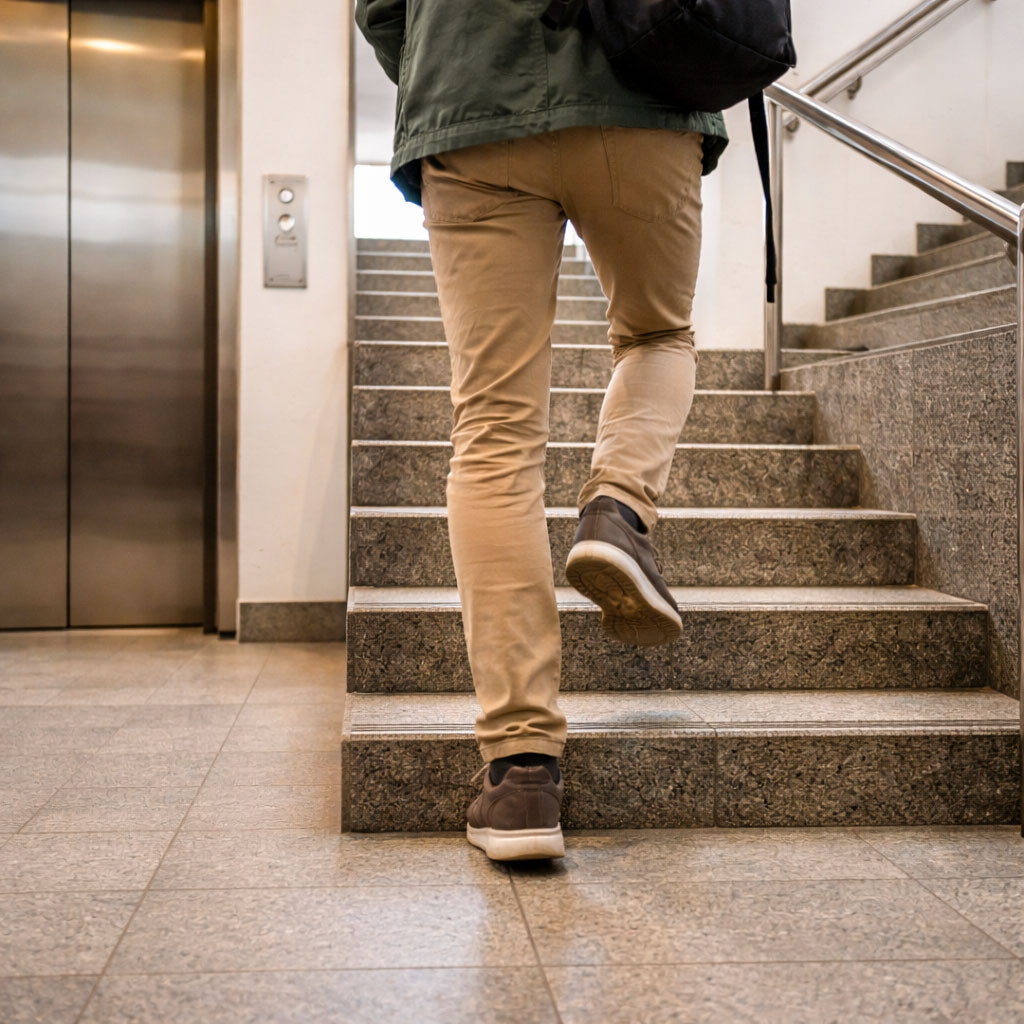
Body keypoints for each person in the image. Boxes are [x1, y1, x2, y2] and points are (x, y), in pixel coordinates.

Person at [356, 0, 728, 861]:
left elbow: (381, 8)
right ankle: (618, 509)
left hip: (470, 100)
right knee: (656, 335)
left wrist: (453, 78)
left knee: (491, 432)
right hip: (638, 99)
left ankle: (522, 774)